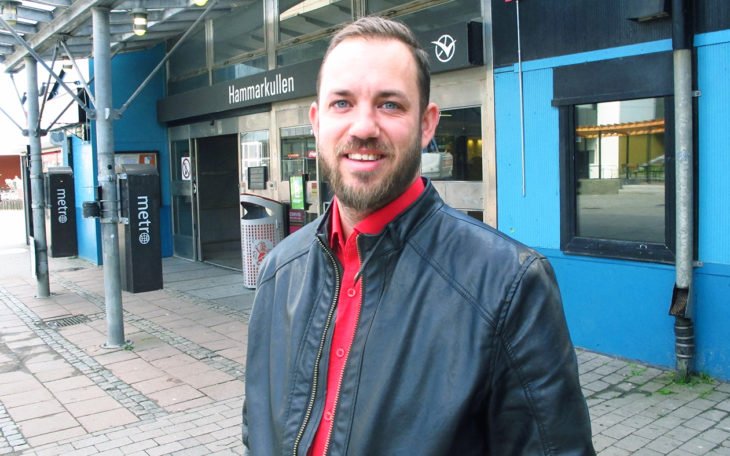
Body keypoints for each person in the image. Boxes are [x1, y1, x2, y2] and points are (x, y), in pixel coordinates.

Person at [243, 16, 595, 455]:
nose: (363, 127)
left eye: (390, 104)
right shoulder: (280, 270)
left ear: (427, 125)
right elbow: (257, 428)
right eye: (342, 103)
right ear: (316, 121)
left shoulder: (508, 284)